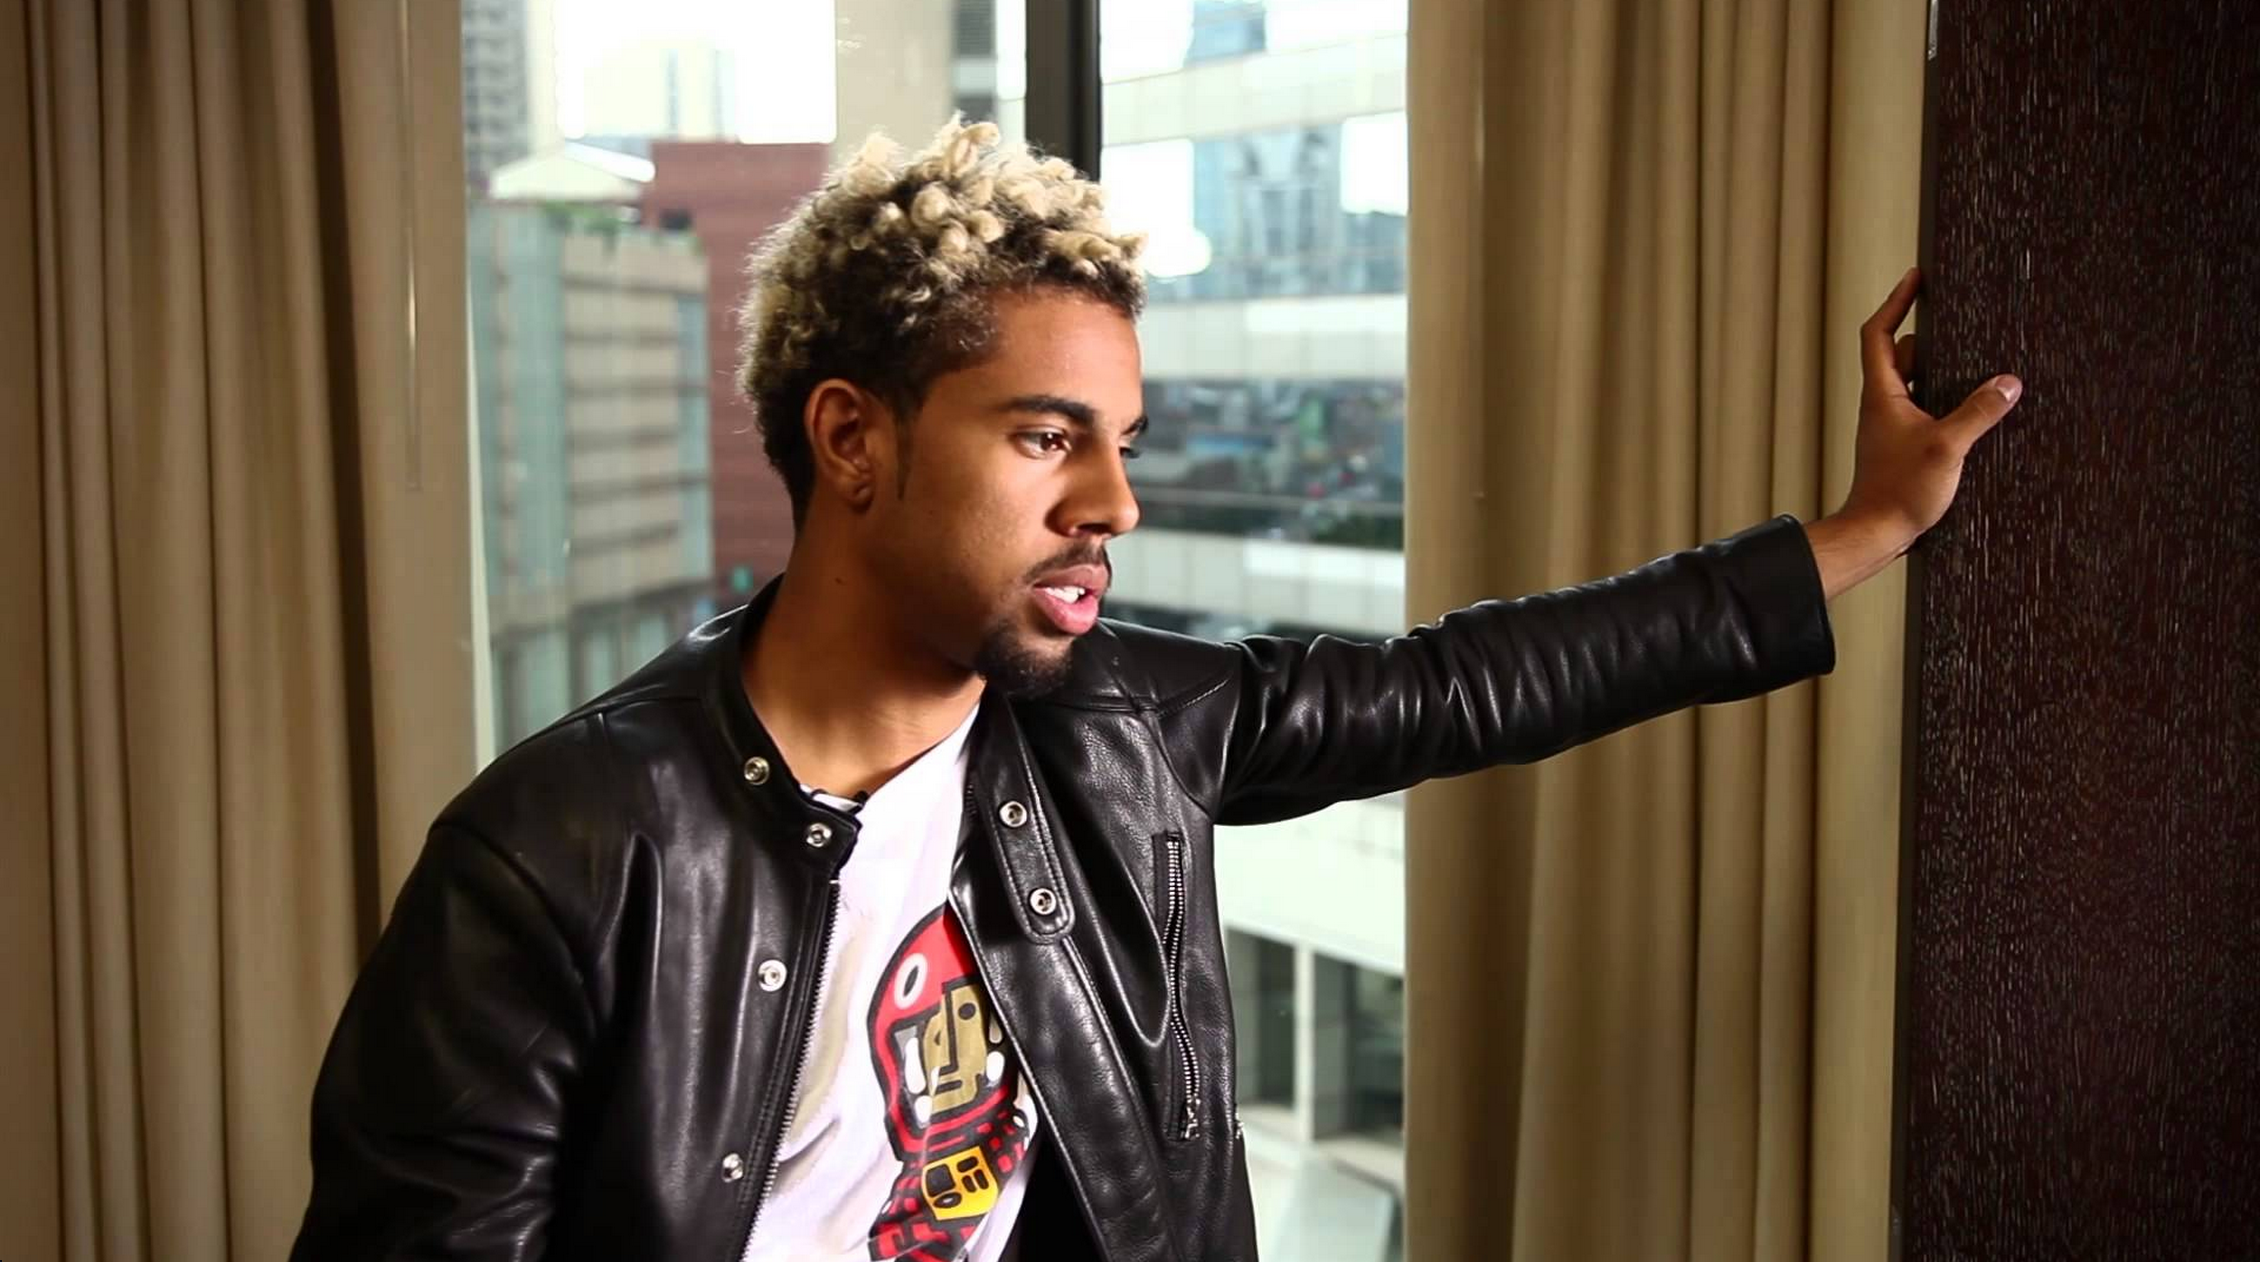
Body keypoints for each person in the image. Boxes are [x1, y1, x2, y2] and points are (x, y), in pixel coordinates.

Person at [289, 118, 2021, 1262]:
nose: (1115, 502)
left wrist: (1862, 531)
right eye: (1049, 438)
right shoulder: (562, 856)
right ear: (851, 438)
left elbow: (1469, 681)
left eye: (1123, 441)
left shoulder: (1118, 732)